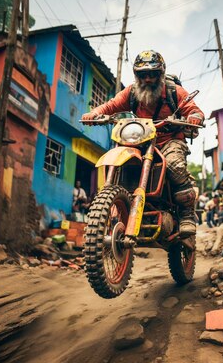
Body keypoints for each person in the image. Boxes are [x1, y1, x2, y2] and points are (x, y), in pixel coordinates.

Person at [81, 50, 204, 237]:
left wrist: (194, 117)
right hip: (141, 140)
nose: (147, 79)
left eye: (152, 74)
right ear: (136, 75)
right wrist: (94, 113)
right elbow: (110, 105)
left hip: (169, 140)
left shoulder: (173, 91)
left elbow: (193, 110)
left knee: (174, 165)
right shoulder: (131, 92)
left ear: (160, 74)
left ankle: (187, 214)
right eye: (142, 74)